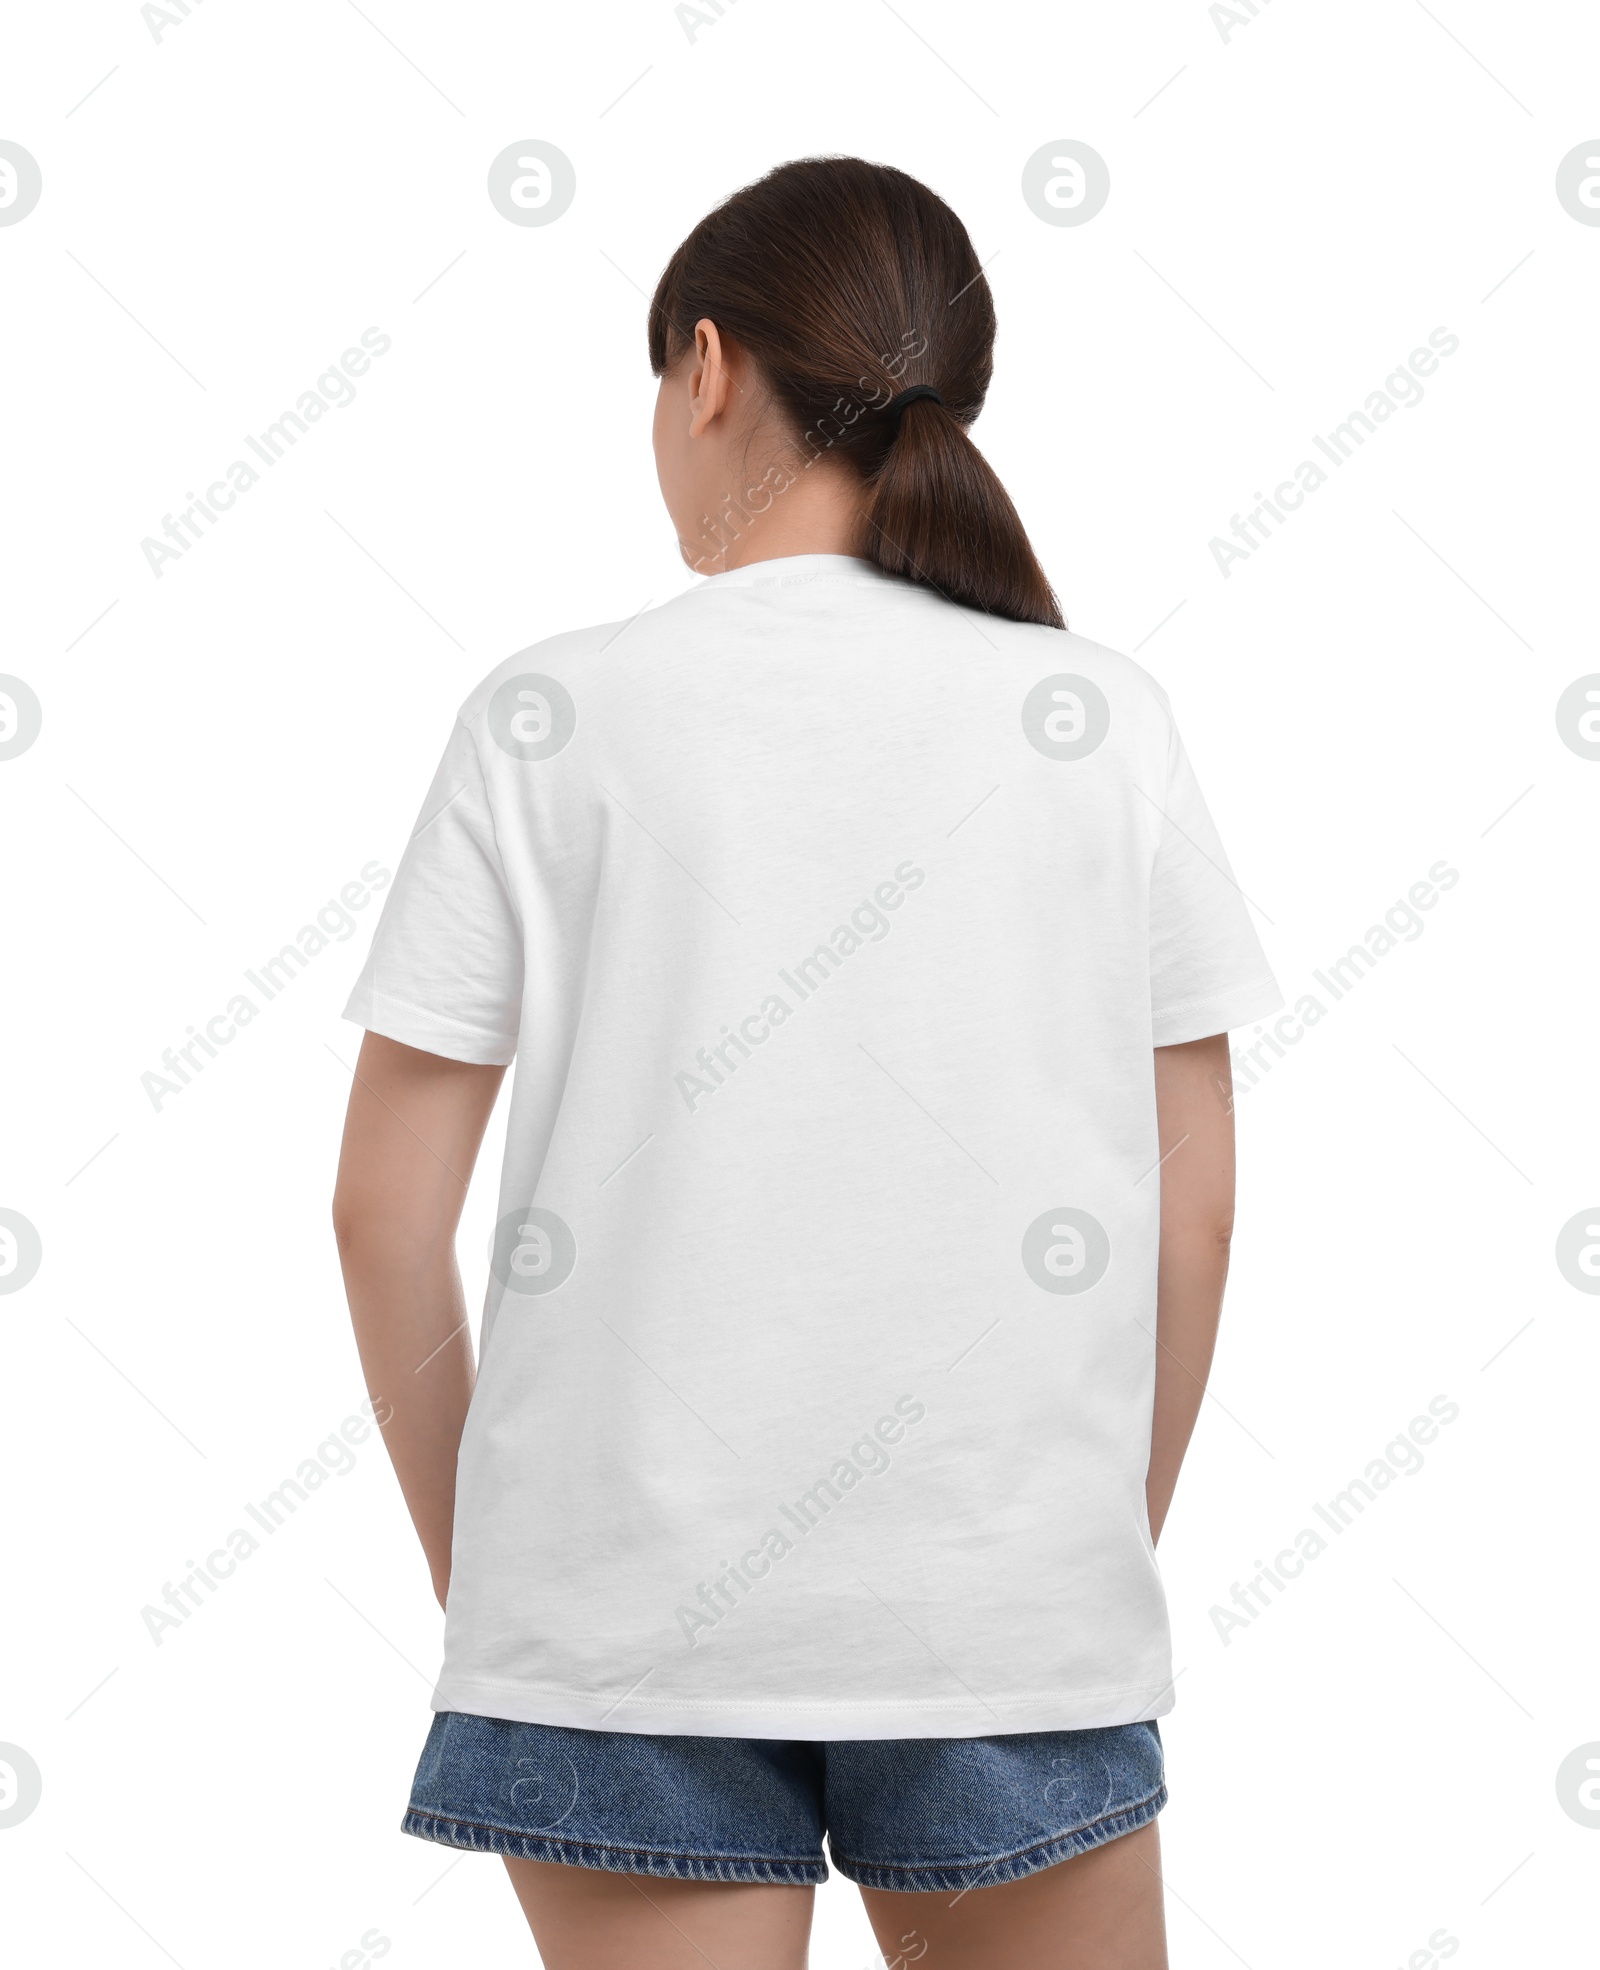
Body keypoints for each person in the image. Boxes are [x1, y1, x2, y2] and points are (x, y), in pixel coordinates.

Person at [333, 154, 1281, 1970]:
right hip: (1009, 1604)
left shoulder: (549, 714)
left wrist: (509, 1585)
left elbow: (381, 1212)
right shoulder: (1103, 718)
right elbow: (1197, 1212)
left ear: (706, 368)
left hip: (616, 1626)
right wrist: (1073, 1568)